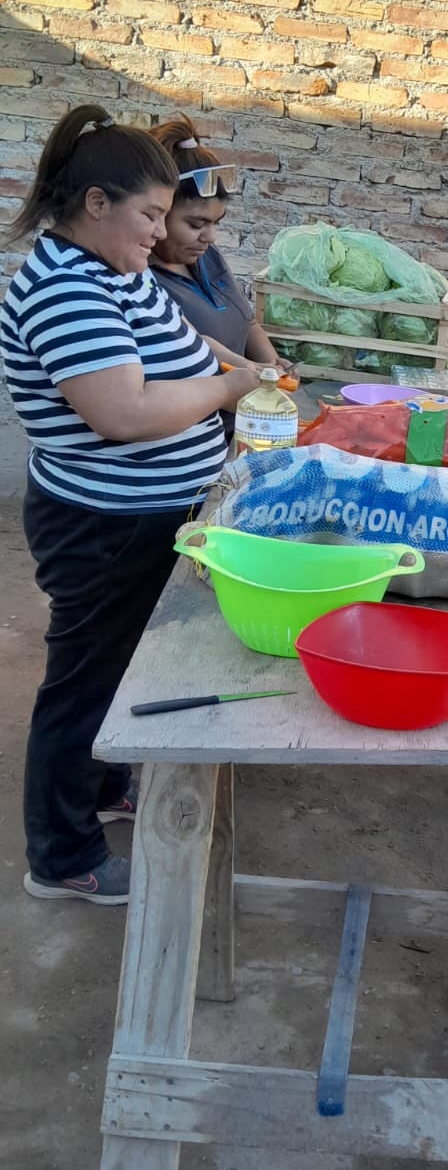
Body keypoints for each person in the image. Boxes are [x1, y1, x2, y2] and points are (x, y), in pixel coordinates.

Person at [0, 105, 258, 905]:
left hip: (145, 514)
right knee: (84, 678)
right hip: (103, 525)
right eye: (150, 214)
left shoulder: (113, 269)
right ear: (96, 204)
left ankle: (102, 781)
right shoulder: (66, 291)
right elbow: (122, 414)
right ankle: (63, 854)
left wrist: (237, 361)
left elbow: (174, 345)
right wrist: (230, 387)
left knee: (115, 668)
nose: (160, 232)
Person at [147, 115, 289, 374]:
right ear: (158, 212)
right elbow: (194, 344)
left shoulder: (207, 258)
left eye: (216, 223)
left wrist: (274, 364)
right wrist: (256, 371)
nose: (210, 237)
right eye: (195, 224)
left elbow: (247, 321)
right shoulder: (141, 279)